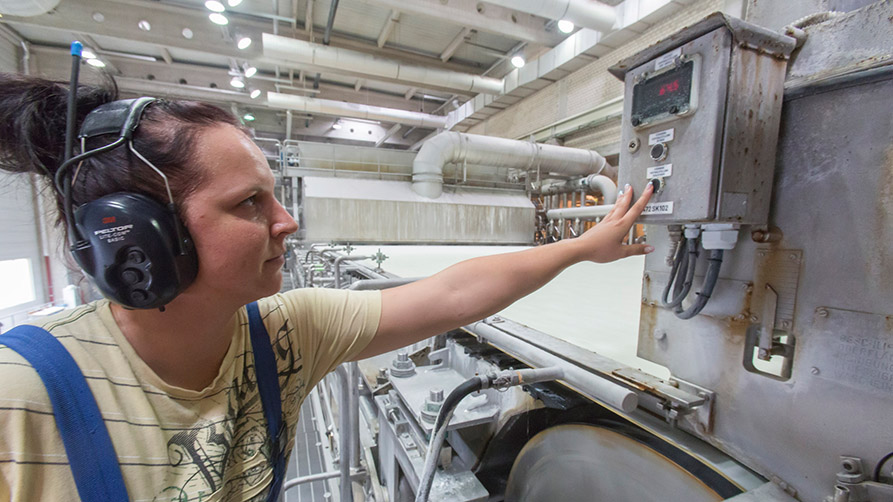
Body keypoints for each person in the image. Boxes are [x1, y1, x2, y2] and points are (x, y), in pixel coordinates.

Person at [0, 74, 653, 501]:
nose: (285, 223)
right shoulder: (22, 393)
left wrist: (579, 249)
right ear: (139, 238)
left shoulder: (283, 333)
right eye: (249, 203)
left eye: (275, 196)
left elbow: (454, 295)